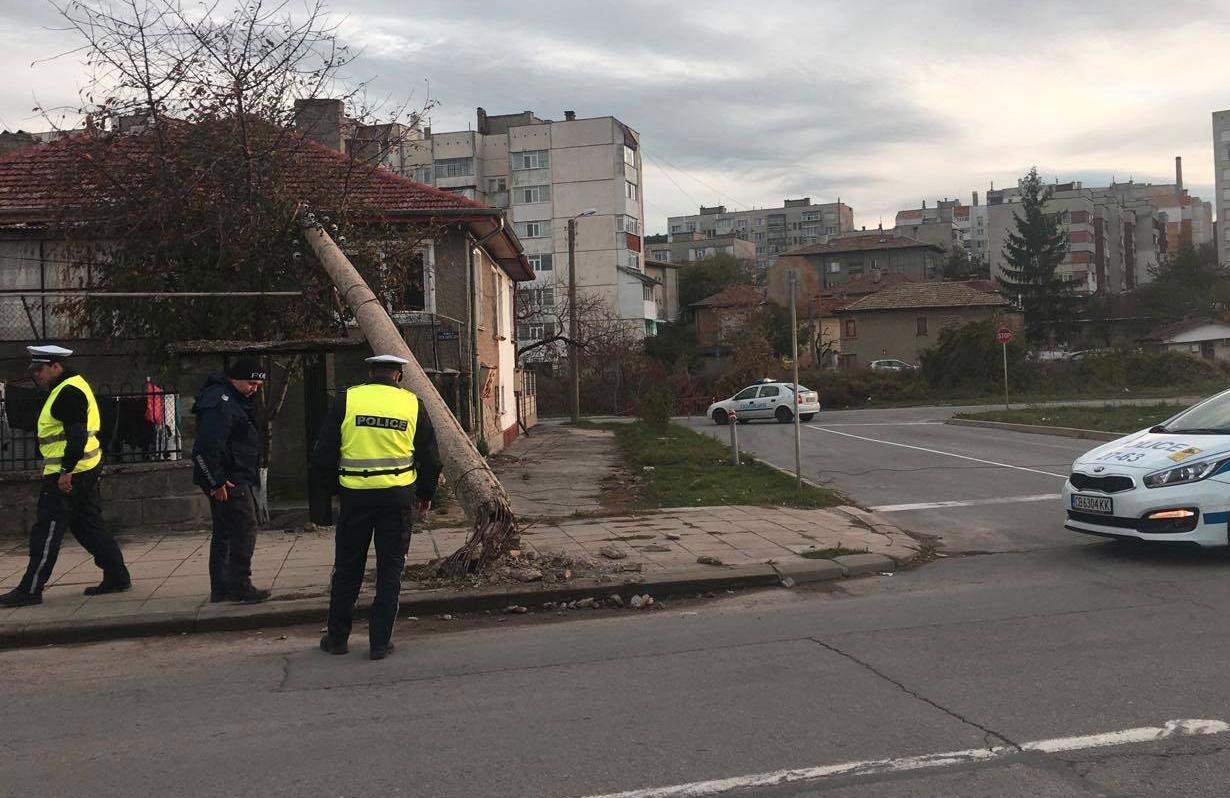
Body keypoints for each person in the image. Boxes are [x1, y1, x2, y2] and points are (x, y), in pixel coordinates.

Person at [311, 354, 441, 660]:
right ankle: (379, 643)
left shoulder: (347, 400)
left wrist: (334, 490)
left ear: (370, 372)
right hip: (396, 500)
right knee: (390, 569)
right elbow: (432, 458)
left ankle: (338, 638)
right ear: (398, 376)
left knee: (347, 568)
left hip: (355, 498)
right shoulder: (412, 404)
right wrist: (425, 493)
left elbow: (323, 454)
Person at [0, 345, 131, 607]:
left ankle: (30, 589)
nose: (36, 374)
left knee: (47, 530)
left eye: (40, 369)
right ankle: (117, 575)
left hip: (70, 474)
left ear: (55, 366)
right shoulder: (73, 385)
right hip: (85, 469)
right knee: (87, 525)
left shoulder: (67, 393)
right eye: (34, 369)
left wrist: (64, 471)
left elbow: (76, 435)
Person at [192, 357, 271, 604]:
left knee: (225, 531)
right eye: (250, 384)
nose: (254, 389)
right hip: (229, 478)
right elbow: (207, 446)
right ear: (234, 379)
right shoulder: (221, 402)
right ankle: (239, 585)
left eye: (258, 386)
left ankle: (222, 587)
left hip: (232, 475)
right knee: (244, 528)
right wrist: (216, 481)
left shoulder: (233, 398)